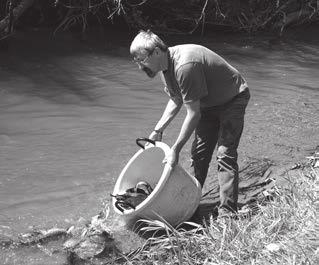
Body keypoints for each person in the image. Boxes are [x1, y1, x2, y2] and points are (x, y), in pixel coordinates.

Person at [130, 30, 250, 217]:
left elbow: (193, 114)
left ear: (156, 52)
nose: (140, 66)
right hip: (208, 104)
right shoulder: (164, 68)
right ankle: (190, 202)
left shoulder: (185, 66)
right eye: (136, 61)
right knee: (199, 154)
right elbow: (177, 99)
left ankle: (228, 212)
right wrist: (158, 130)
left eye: (142, 60)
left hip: (232, 99)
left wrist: (176, 149)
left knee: (225, 154)